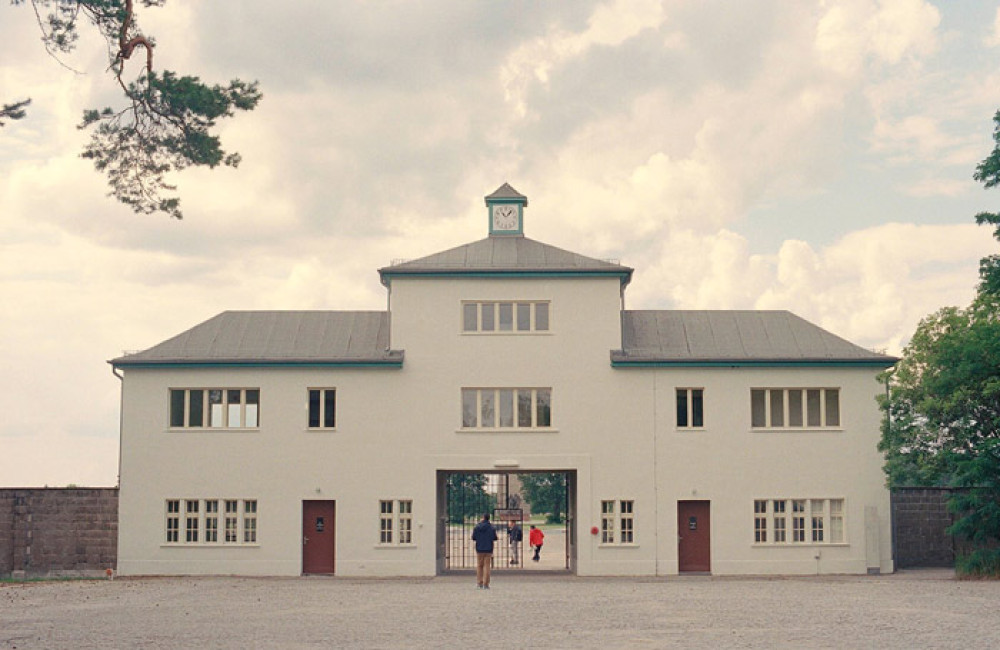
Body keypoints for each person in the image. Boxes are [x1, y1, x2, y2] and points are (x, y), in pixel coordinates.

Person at [471, 513, 498, 588]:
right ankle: (486, 583)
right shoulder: (492, 527)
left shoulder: (477, 527)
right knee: (487, 566)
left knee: (479, 566)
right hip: (489, 548)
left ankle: (479, 582)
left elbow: (473, 537)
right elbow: (495, 538)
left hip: (479, 548)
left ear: (482, 518)